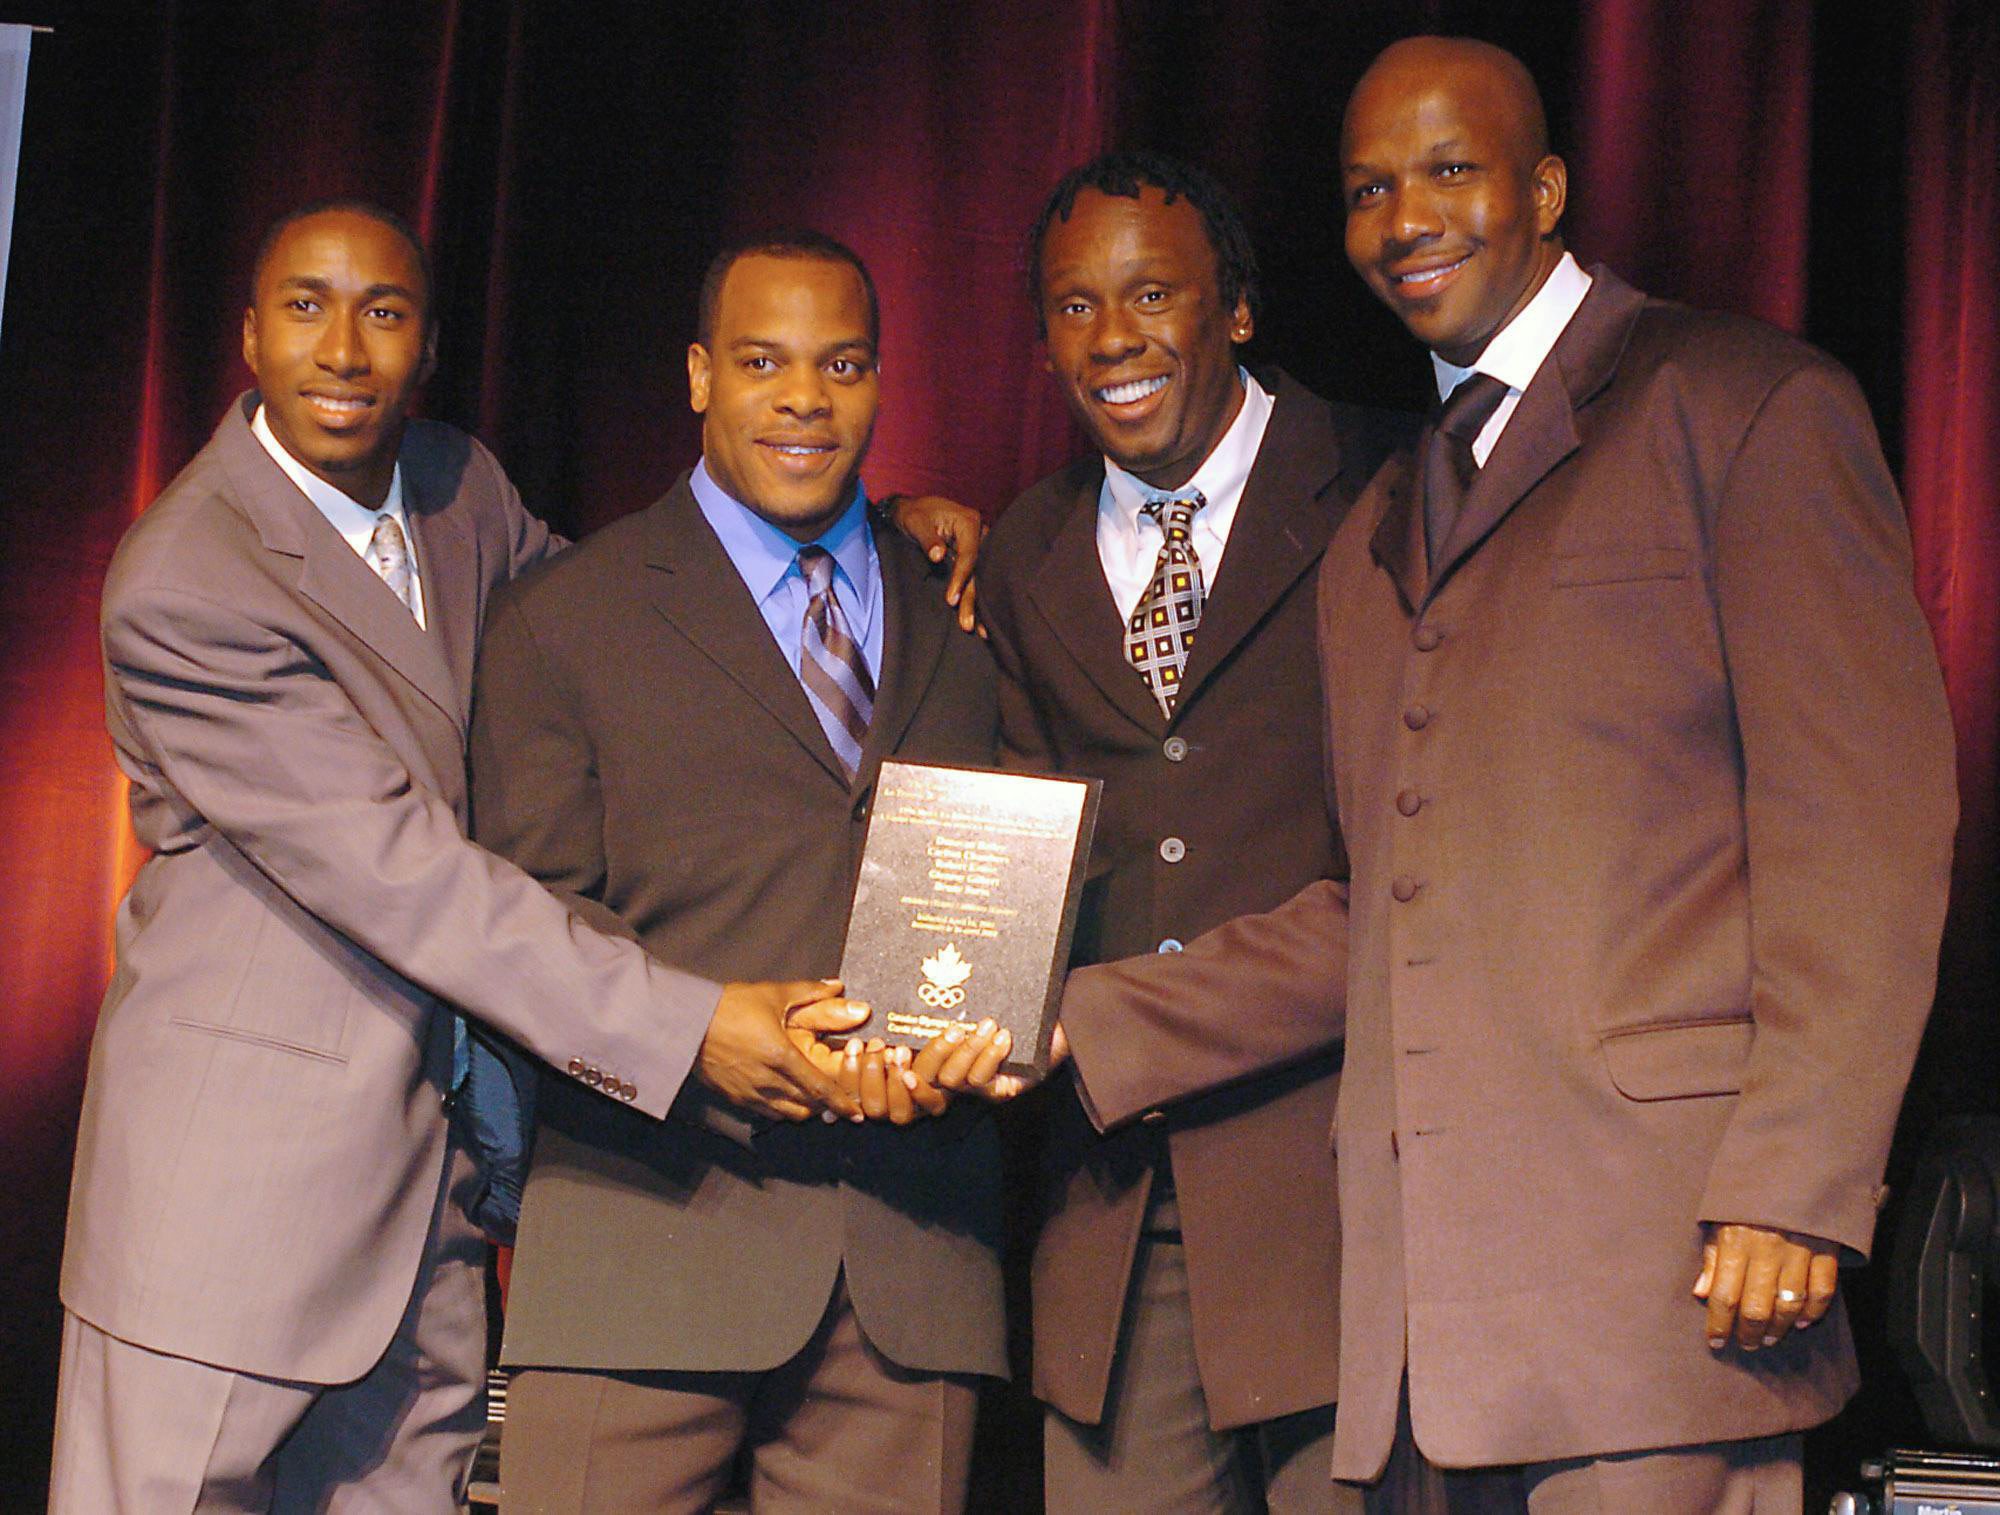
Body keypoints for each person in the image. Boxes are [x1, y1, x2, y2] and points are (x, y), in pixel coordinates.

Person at [1054, 39, 1957, 1514]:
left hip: (1667, 1290)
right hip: (1423, 1338)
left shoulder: (1739, 404)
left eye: (1447, 170)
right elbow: (1376, 909)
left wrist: (1795, 1176)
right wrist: (1062, 1018)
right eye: (1365, 190)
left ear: (1543, 186)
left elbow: (1862, 824)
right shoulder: (1380, 521)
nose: (1404, 217)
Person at [47, 202, 894, 1514]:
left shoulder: (460, 487)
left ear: (428, 340)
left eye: (381, 311)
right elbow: (408, 879)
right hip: (226, 1216)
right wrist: (686, 1025)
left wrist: (865, 547)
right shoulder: (188, 576)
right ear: (250, 334)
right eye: (306, 306)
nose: (342, 347)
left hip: (430, 1205)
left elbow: (641, 628)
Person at [471, 231, 1013, 1515]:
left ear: (882, 383)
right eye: (764, 361)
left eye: (841, 364)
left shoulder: (967, 612)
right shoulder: (567, 615)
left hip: (909, 1274)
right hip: (642, 1243)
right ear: (701, 375)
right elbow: (518, 925)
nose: (803, 399)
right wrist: (692, 1035)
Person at [976, 152, 1408, 1512]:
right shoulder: (1021, 547)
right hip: (1110, 1224)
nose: (1112, 338)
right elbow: (1007, 832)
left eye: (1151, 292)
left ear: (1235, 309)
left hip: (1345, 1201)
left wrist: (1096, 1017)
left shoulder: (1396, 490)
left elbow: (1417, 883)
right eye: (1073, 306)